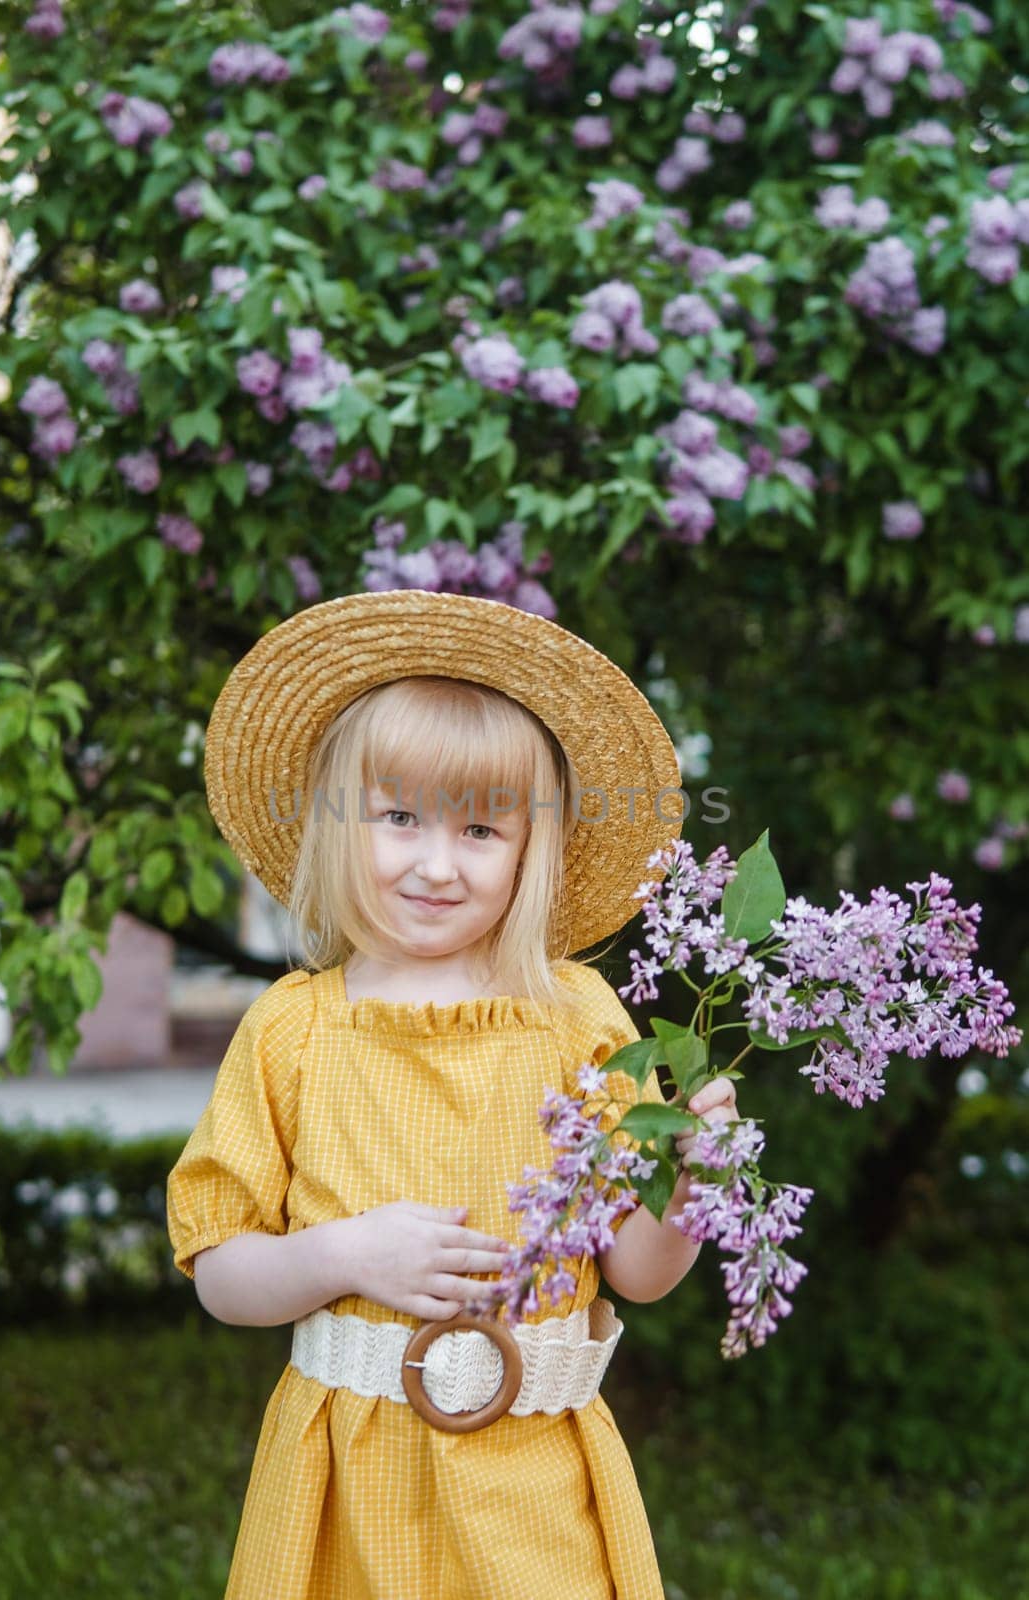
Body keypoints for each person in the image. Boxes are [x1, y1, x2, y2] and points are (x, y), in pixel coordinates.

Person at [165, 588, 738, 1600]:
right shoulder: (294, 1027)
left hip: (535, 1490)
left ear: (532, 847)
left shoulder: (576, 1018)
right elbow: (221, 1272)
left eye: (480, 829)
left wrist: (690, 1175)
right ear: (342, 824)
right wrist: (342, 1253)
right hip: (345, 1486)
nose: (435, 864)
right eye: (397, 818)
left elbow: (638, 1273)